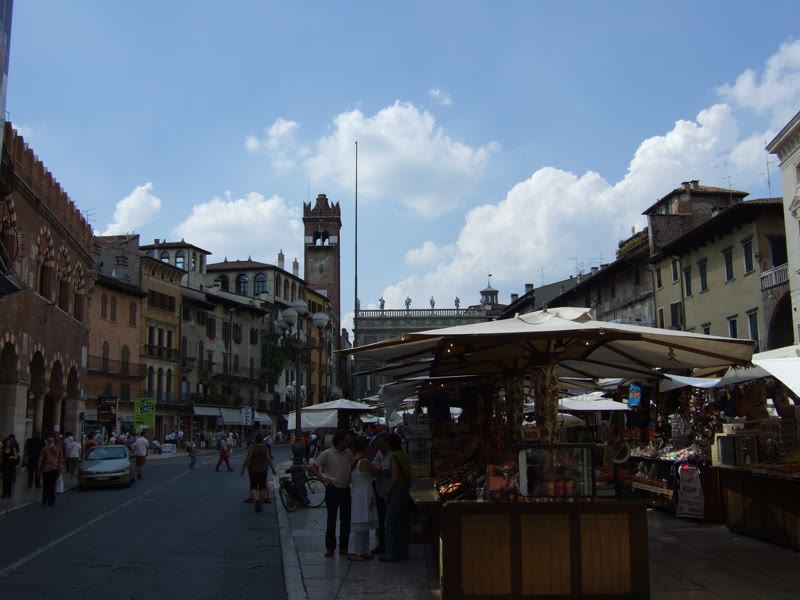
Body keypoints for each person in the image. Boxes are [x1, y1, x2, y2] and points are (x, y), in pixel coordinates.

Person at [308, 430, 353, 557]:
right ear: (340, 441)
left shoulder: (348, 453)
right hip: (333, 488)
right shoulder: (328, 453)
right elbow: (313, 466)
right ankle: (330, 546)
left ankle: (344, 545)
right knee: (331, 519)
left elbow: (352, 465)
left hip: (345, 489)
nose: (348, 443)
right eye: (346, 440)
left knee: (346, 518)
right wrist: (323, 479)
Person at [347, 436, 381, 561]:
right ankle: (353, 551)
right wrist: (378, 460)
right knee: (359, 522)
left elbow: (349, 478)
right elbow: (377, 471)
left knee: (362, 521)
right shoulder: (364, 461)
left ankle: (362, 550)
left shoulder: (352, 461)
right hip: (364, 492)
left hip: (357, 491)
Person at [381, 433, 413, 562]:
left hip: (396, 492)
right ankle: (403, 552)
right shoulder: (405, 455)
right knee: (403, 523)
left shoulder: (393, 456)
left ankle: (391, 553)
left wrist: (388, 493)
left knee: (390, 523)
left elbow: (394, 476)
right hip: (406, 491)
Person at [240, 432, 277, 512]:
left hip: (253, 470)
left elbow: (248, 459)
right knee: (262, 487)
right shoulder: (265, 448)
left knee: (253, 486)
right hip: (263, 470)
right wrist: (273, 469)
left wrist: (243, 468)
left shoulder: (252, 448)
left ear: (255, 439)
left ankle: (256, 499)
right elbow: (269, 460)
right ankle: (261, 504)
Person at [370, 433, 392, 555]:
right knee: (380, 518)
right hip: (379, 490)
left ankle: (389, 544)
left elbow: (391, 472)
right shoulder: (379, 454)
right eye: (378, 445)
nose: (380, 447)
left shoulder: (392, 455)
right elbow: (374, 467)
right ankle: (382, 543)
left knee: (388, 519)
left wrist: (381, 472)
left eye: (382, 444)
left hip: (389, 491)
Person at [38, 435, 64, 506]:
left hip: (45, 468)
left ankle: (45, 498)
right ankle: (51, 500)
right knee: (52, 484)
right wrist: (61, 468)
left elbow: (41, 459)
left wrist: (39, 469)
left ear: (47, 442)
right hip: (54, 468)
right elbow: (61, 459)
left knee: (46, 484)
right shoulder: (58, 449)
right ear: (54, 442)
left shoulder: (44, 449)